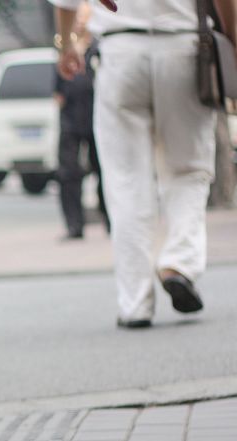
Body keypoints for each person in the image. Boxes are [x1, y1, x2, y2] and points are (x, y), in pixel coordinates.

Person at [51, 0, 237, 328]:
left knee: (125, 180)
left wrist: (66, 46)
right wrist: (233, 39)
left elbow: (65, 2)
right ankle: (179, 263)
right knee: (188, 168)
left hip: (120, 51)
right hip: (183, 46)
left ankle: (135, 302)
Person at [54, 3, 107, 240]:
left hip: (99, 119)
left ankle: (112, 222)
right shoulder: (62, 48)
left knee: (105, 171)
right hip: (70, 121)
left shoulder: (102, 47)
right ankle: (74, 226)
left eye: (84, 17)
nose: (79, 21)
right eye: (77, 17)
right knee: (68, 173)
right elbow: (57, 92)